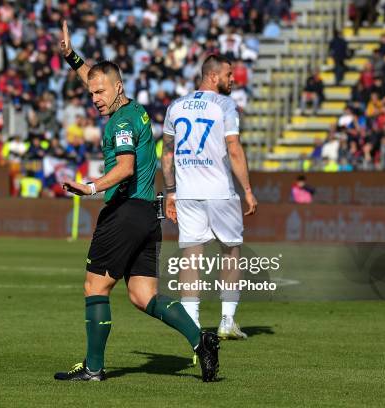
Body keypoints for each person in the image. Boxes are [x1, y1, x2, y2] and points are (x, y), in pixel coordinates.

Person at [54, 21, 219, 382]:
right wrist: (72, 56)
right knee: (144, 295)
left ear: (118, 88)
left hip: (124, 213)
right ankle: (200, 339)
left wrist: (92, 187)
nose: (94, 98)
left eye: (100, 93)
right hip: (148, 213)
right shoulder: (135, 109)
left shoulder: (119, 124)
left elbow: (126, 167)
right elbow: (97, 78)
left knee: (95, 287)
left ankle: (94, 368)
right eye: (92, 92)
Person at [161, 55, 258, 342]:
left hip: (188, 192)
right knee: (230, 252)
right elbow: (234, 148)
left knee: (191, 256)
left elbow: (167, 153)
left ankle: (191, 322)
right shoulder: (225, 105)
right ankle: (227, 320)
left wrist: (170, 192)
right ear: (213, 76)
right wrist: (248, 189)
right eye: (229, 74)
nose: (233, 79)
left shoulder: (175, 106)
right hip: (220, 192)